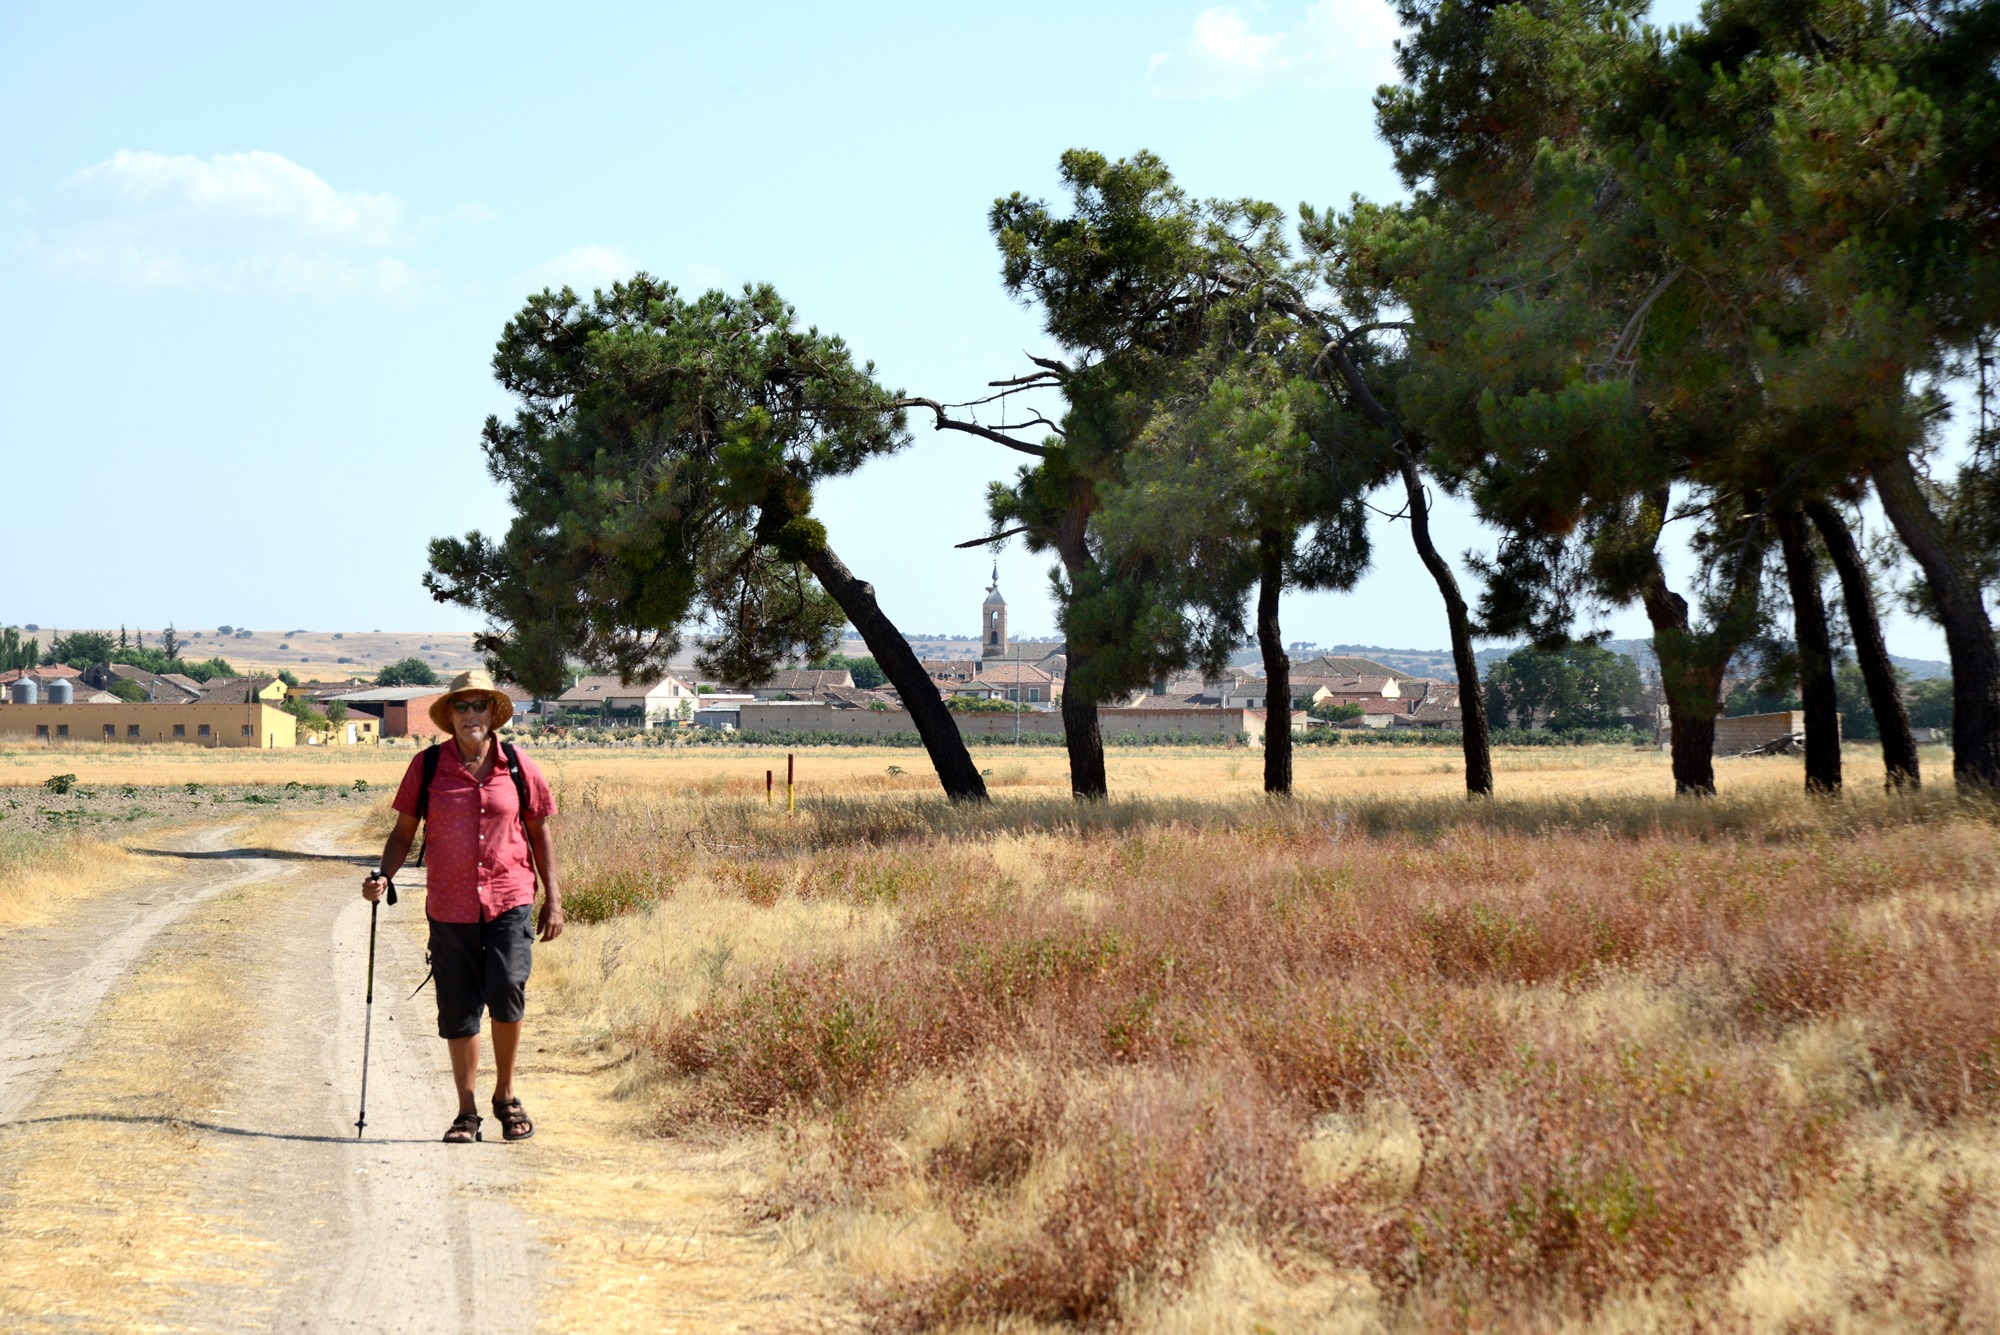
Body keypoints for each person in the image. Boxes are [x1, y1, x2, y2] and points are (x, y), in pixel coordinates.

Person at [362, 669, 563, 1143]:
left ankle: (506, 1096)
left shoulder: (517, 764)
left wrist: (554, 900)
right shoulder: (428, 766)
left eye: (479, 706)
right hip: (449, 906)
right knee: (458, 1009)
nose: (470, 714)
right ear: (448, 716)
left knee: (509, 989)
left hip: (509, 898)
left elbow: (540, 834)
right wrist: (383, 875)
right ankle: (467, 1111)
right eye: (461, 706)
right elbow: (403, 833)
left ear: (494, 713)